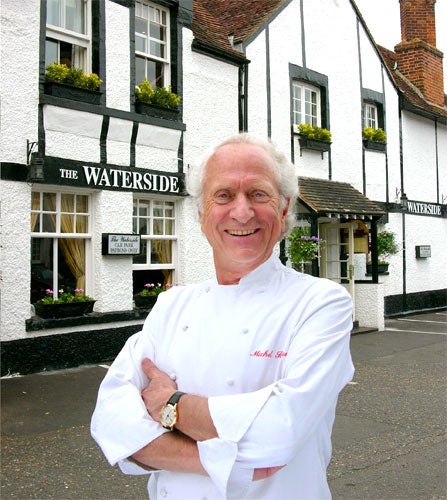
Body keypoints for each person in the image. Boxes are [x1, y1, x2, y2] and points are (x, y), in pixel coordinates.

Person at [91, 133, 354, 499]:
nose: (242, 212)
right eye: (224, 195)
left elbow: (279, 430)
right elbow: (111, 421)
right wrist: (213, 460)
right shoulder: (171, 305)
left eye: (258, 194)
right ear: (201, 214)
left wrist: (170, 405)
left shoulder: (321, 303)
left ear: (283, 208)